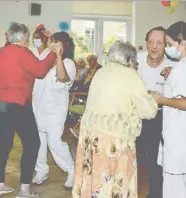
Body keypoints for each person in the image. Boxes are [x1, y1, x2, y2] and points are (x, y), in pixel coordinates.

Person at [72, 41, 158, 198]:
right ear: (130, 60)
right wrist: (154, 98)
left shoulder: (101, 73)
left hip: (90, 136)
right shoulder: (131, 75)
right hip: (115, 139)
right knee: (115, 185)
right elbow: (148, 111)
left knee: (94, 183)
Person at [0, 23, 57, 198]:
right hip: (17, 102)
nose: (28, 40)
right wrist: (53, 53)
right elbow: (41, 70)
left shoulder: (1, 52)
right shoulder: (22, 52)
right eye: (27, 37)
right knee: (33, 143)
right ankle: (24, 190)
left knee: (4, 143)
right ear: (21, 38)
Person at [149, 21, 186, 198]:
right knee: (181, 190)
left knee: (173, 191)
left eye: (169, 44)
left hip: (178, 139)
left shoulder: (182, 68)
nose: (166, 48)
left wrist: (161, 99)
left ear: (183, 44)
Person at [32, 30, 76, 188]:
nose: (51, 45)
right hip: (38, 106)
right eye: (51, 42)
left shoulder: (69, 63)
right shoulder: (44, 58)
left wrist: (58, 56)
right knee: (39, 142)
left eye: (55, 42)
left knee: (54, 142)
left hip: (56, 110)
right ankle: (41, 170)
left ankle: (72, 170)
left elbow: (62, 78)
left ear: (63, 45)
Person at [136, 26, 175, 198]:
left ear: (166, 45)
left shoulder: (173, 65)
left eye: (159, 43)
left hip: (160, 116)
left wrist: (174, 74)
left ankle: (155, 194)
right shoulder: (136, 60)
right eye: (150, 42)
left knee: (155, 161)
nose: (154, 47)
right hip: (135, 115)